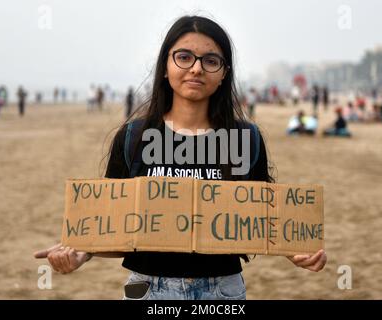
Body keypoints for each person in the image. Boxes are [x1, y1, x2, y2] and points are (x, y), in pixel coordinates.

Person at [34, 15, 327, 300]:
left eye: (211, 61)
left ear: (224, 72)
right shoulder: (133, 137)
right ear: (165, 66)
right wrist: (80, 253)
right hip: (148, 290)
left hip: (222, 291)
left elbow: (264, 220)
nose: (196, 69)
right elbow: (114, 227)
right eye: (184, 57)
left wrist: (296, 251)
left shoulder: (245, 138)